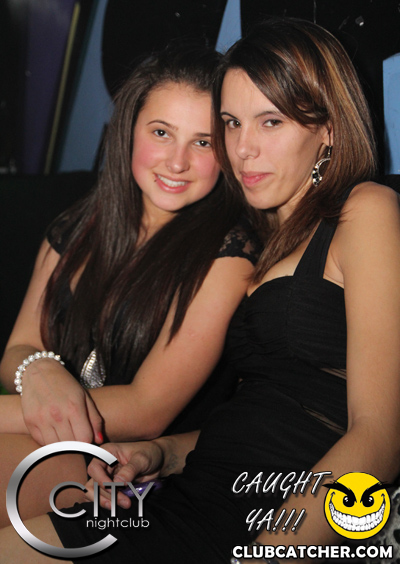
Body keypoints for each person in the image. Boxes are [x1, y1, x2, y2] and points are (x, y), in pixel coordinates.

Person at [1, 16, 400, 564]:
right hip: (187, 495)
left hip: (258, 525)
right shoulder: (271, 242)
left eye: (270, 121)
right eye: (232, 124)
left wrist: (275, 554)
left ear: (329, 128)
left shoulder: (365, 210)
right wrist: (160, 454)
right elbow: (255, 417)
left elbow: (381, 436)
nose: (244, 149)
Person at [0, 44, 257, 526]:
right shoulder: (78, 225)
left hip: (133, 470)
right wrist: (39, 371)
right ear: (129, 129)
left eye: (203, 142)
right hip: (51, 437)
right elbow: (18, 346)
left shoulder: (230, 255)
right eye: (162, 132)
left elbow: (146, 410)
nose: (177, 162)